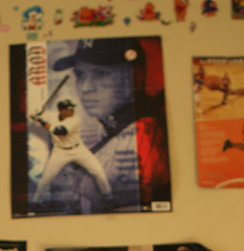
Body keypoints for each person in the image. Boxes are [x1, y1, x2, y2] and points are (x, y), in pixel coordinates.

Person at [33, 38, 170, 214]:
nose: (86, 88)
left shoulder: (141, 136)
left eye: (101, 74)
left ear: (135, 77)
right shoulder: (116, 130)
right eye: (81, 75)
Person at [29, 98, 113, 209]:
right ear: (61, 110)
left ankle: (109, 198)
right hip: (59, 152)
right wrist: (36, 114)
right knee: (46, 178)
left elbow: (60, 131)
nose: (71, 111)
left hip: (78, 150)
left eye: (72, 108)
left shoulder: (75, 120)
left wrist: (40, 120)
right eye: (68, 109)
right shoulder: (52, 116)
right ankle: (36, 202)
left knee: (98, 172)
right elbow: (35, 115)